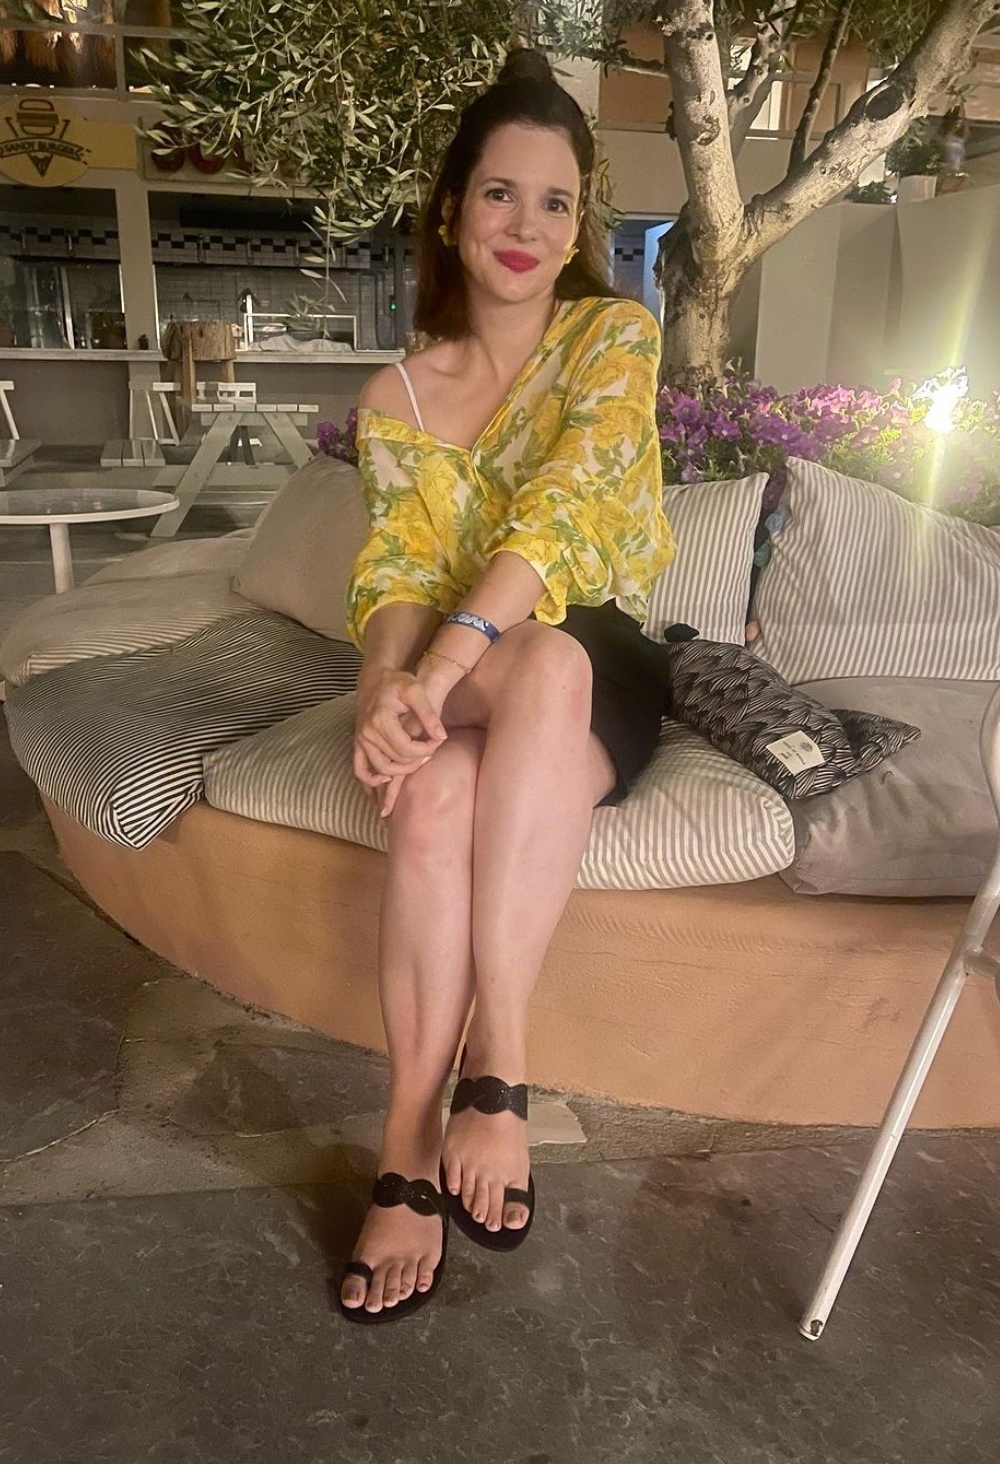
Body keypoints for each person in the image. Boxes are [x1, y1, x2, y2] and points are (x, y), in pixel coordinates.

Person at [338, 47, 675, 1324]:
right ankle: (439, 1123)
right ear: (451, 211)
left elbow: (565, 511)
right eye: (498, 193)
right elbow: (397, 570)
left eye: (555, 201)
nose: (526, 225)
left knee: (509, 699)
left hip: (593, 654)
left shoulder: (611, 337)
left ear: (578, 227)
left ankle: (472, 1091)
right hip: (470, 667)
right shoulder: (397, 395)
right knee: (445, 755)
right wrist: (385, 684)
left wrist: (435, 669)